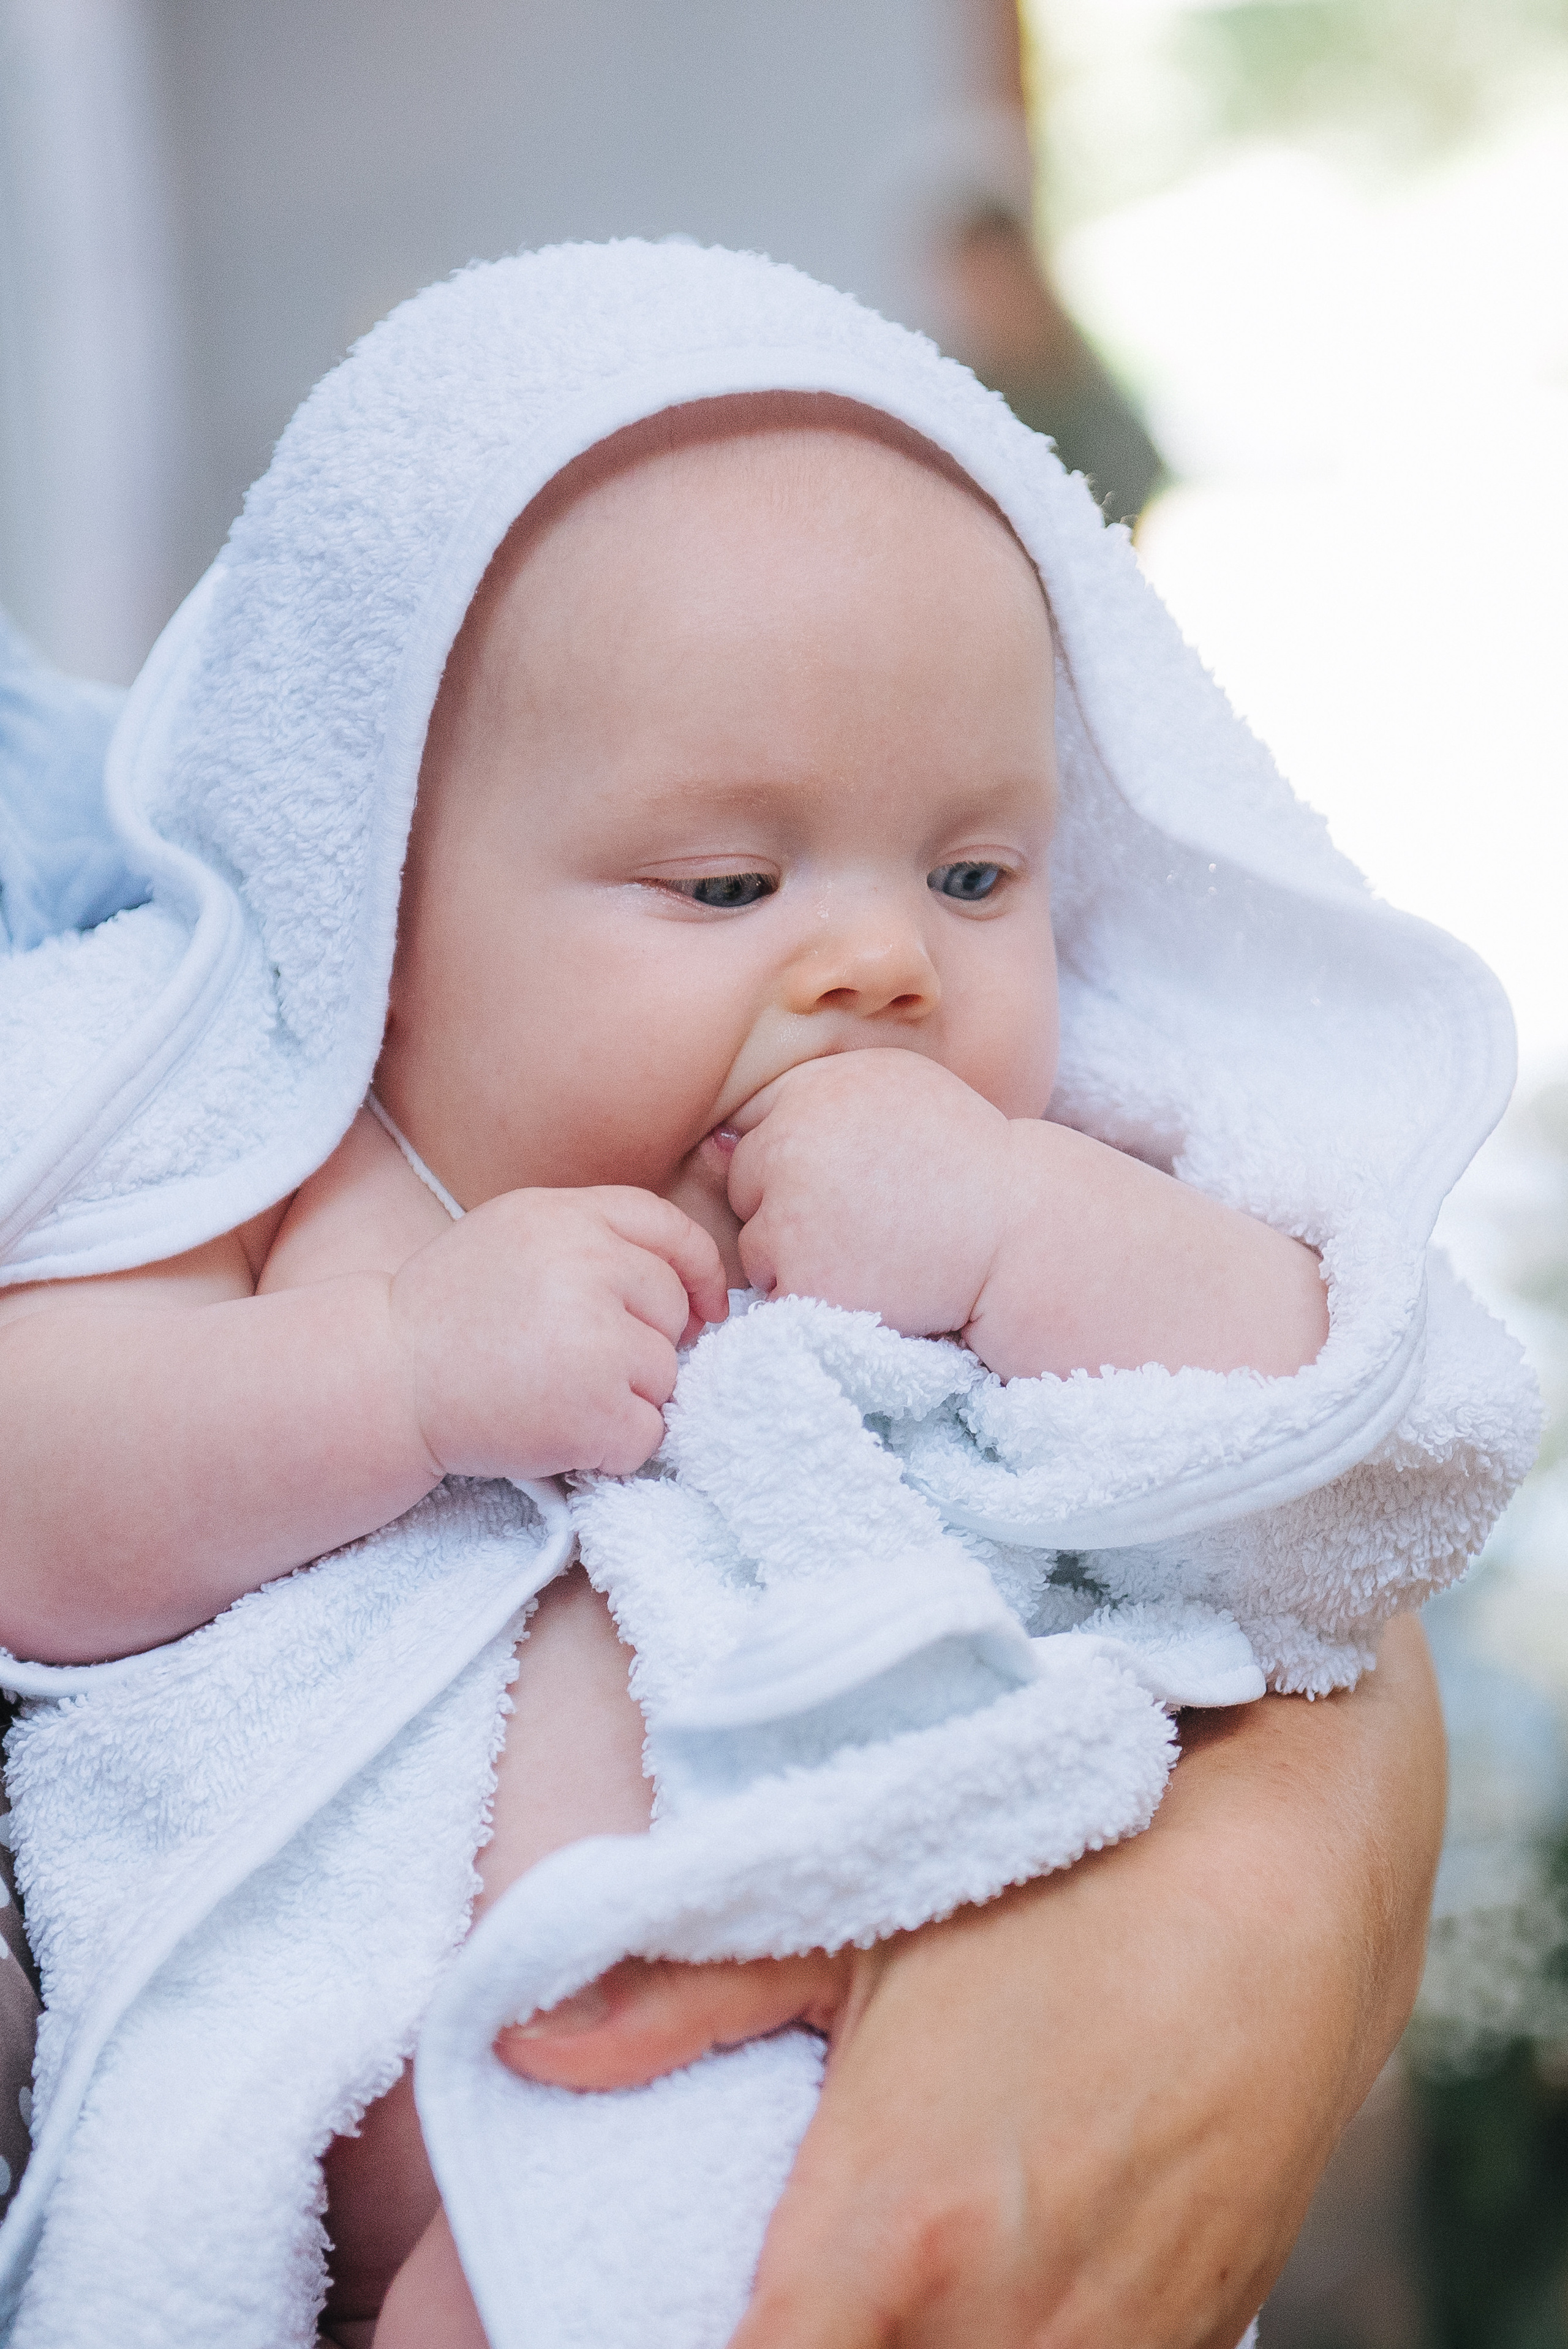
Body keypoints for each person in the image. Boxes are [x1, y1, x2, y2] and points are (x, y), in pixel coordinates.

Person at [0, 243, 1527, 2346]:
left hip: (874, 2095)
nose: (880, 961)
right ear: (379, 885)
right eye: (730, 883)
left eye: (977, 873)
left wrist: (1015, 1230)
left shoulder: (1034, 1168)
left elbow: (1361, 1459)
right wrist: (393, 1373)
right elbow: (37, 1512)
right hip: (367, 2130)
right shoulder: (258, 1146)